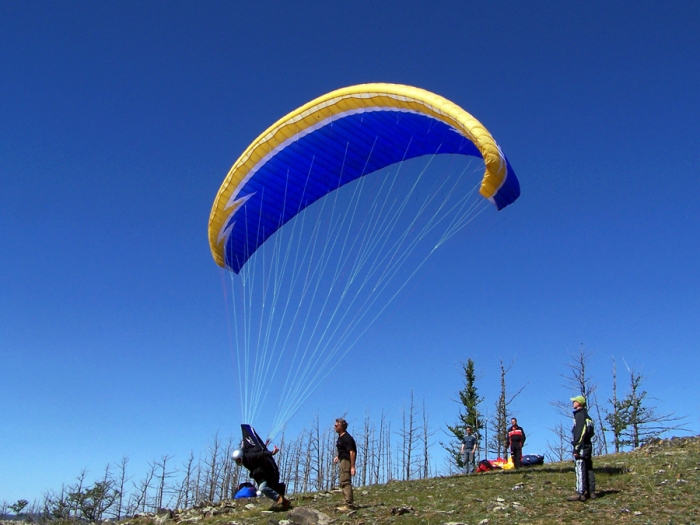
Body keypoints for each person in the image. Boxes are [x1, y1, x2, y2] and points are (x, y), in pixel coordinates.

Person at [233, 444, 291, 510]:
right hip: (261, 476)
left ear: (241, 456)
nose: (238, 462)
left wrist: (272, 452)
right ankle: (285, 502)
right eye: (236, 461)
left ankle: (278, 497)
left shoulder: (250, 456)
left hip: (268, 473)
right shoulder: (245, 461)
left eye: (238, 460)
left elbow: (262, 454)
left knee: (263, 488)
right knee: (268, 490)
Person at [567, 395, 597, 502]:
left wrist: (576, 447)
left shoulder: (579, 415)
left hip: (582, 446)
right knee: (589, 468)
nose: (573, 403)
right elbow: (590, 432)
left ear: (579, 403)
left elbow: (580, 432)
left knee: (580, 468)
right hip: (587, 445)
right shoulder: (588, 416)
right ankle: (591, 491)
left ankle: (580, 493)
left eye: (574, 401)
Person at [333, 417, 357, 511]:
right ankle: (346, 502)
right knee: (342, 482)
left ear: (341, 427)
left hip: (346, 461)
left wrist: (352, 467)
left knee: (345, 481)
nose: (334, 427)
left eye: (336, 425)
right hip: (343, 460)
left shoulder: (347, 438)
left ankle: (349, 505)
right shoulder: (341, 438)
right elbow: (344, 450)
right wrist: (338, 456)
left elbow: (352, 452)